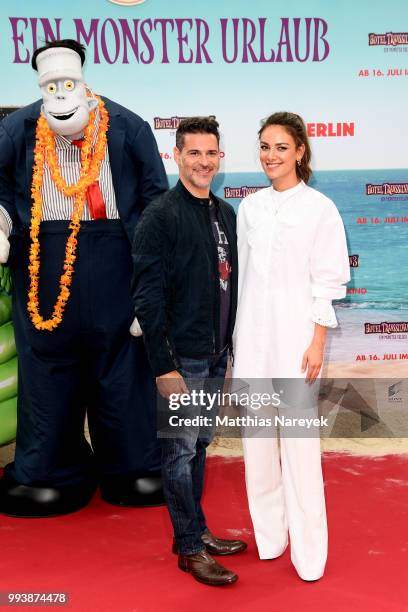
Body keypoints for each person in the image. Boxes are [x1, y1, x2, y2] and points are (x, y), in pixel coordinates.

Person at [0, 39, 168, 517]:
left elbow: (155, 196)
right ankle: (49, 471)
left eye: (66, 83)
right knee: (47, 371)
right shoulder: (18, 127)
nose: (59, 93)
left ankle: (132, 465)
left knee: (122, 368)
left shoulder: (127, 125)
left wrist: (150, 276)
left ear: (82, 78)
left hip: (116, 260)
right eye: (50, 85)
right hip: (43, 265)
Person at [233, 112, 350, 581]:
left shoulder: (320, 209)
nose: (271, 156)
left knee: (300, 452)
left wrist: (318, 341)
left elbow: (327, 281)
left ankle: (310, 554)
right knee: (258, 448)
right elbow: (240, 279)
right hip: (252, 343)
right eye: (264, 146)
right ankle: (269, 537)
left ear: (300, 151)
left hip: (297, 343)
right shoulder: (250, 209)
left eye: (281, 147)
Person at [131, 117, 246, 586]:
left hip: (217, 354)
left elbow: (229, 283)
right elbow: (146, 298)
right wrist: (165, 366)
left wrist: (231, 351)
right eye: (193, 153)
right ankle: (190, 547)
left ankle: (196, 530)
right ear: (176, 156)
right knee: (178, 454)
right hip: (183, 358)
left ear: (220, 158)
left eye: (211, 153)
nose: (203, 161)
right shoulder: (160, 216)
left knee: (198, 446)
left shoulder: (226, 214)